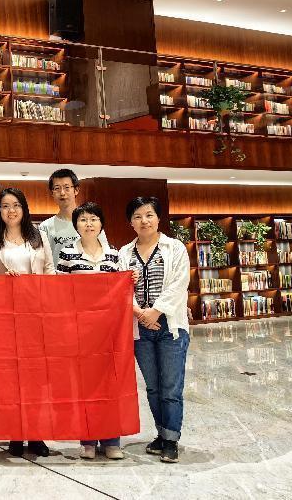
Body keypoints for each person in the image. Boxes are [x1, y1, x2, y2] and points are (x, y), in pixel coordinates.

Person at [0, 187, 54, 458]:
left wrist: (40, 293)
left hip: (35, 317)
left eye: (16, 205)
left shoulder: (39, 237)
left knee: (35, 378)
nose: (11, 211)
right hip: (5, 318)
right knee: (9, 378)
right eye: (5, 206)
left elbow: (50, 271)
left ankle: (36, 434)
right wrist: (2, 282)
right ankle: (15, 433)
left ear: (24, 209)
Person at [118, 196, 190, 464]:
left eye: (149, 215)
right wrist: (140, 313)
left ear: (158, 218)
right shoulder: (124, 253)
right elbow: (121, 288)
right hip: (140, 329)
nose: (144, 221)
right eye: (137, 216)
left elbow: (179, 283)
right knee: (153, 387)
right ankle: (161, 433)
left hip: (170, 327)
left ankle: (171, 440)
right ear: (130, 222)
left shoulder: (174, 248)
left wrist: (155, 311)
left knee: (171, 387)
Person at [55, 201, 124, 461]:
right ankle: (87, 440)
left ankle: (112, 440)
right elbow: (60, 292)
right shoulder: (67, 254)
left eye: (94, 219)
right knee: (85, 386)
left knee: (109, 386)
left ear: (101, 224)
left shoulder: (114, 254)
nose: (89, 224)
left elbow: (121, 290)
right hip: (79, 330)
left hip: (108, 330)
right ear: (76, 225)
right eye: (83, 219)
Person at [39, 168, 107, 264]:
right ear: (52, 193)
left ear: (76, 190)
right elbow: (43, 261)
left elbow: (105, 253)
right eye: (57, 188)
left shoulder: (92, 223)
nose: (62, 193)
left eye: (66, 187)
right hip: (58, 273)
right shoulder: (45, 227)